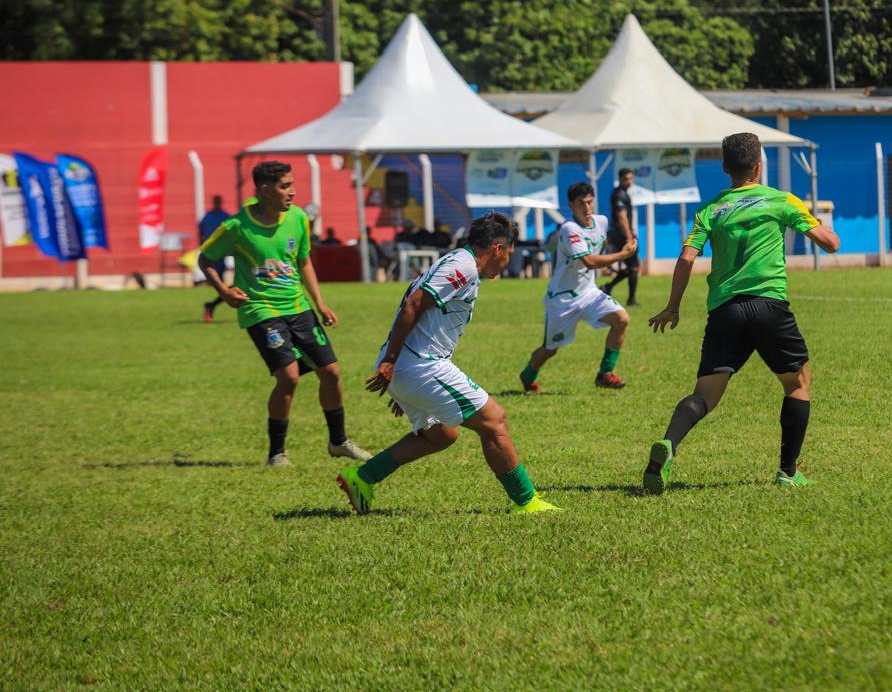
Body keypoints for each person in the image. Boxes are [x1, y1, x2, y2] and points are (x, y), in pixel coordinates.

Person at [642, 132, 840, 495]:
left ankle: (669, 444)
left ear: (724, 168)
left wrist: (673, 307)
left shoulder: (710, 210)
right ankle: (787, 472)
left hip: (725, 312)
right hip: (769, 307)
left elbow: (687, 258)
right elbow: (830, 244)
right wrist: (822, 227)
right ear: (759, 166)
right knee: (797, 385)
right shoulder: (781, 200)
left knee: (703, 396)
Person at [336, 212, 561, 515]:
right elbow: (414, 303)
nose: (508, 261)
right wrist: (393, 364)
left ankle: (362, 478)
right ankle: (527, 501)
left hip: (412, 366)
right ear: (497, 248)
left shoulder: (459, 262)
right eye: (509, 252)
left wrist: (405, 382)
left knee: (441, 434)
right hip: (419, 365)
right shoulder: (462, 267)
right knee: (495, 421)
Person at [198, 161, 371, 467]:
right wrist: (224, 291)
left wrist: (319, 302)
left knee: (331, 373)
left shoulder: (299, 218)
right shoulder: (237, 226)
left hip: (298, 306)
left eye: (292, 185)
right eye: (285, 186)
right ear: (265, 190)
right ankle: (277, 453)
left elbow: (304, 261)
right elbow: (205, 257)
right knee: (289, 377)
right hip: (260, 308)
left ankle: (338, 442)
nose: (293, 192)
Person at [519, 182, 638, 394]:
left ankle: (605, 374)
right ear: (571, 206)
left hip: (589, 292)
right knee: (550, 349)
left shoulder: (601, 222)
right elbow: (589, 261)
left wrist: (627, 243)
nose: (587, 208)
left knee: (622, 319)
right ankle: (527, 375)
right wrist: (622, 256)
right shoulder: (569, 229)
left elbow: (599, 246)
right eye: (581, 203)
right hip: (562, 299)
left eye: (590, 202)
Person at [603, 168, 640, 306]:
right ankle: (630, 300)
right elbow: (622, 217)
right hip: (621, 234)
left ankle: (609, 287)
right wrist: (629, 237)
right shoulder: (619, 194)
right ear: (619, 179)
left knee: (632, 268)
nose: (629, 181)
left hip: (623, 233)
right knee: (634, 267)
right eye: (626, 179)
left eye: (631, 178)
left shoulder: (624, 193)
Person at [198, 195, 233, 323]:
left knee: (226, 284)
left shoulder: (225, 216)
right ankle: (211, 305)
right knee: (221, 284)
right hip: (212, 254)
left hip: (223, 255)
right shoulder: (208, 216)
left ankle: (212, 305)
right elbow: (200, 230)